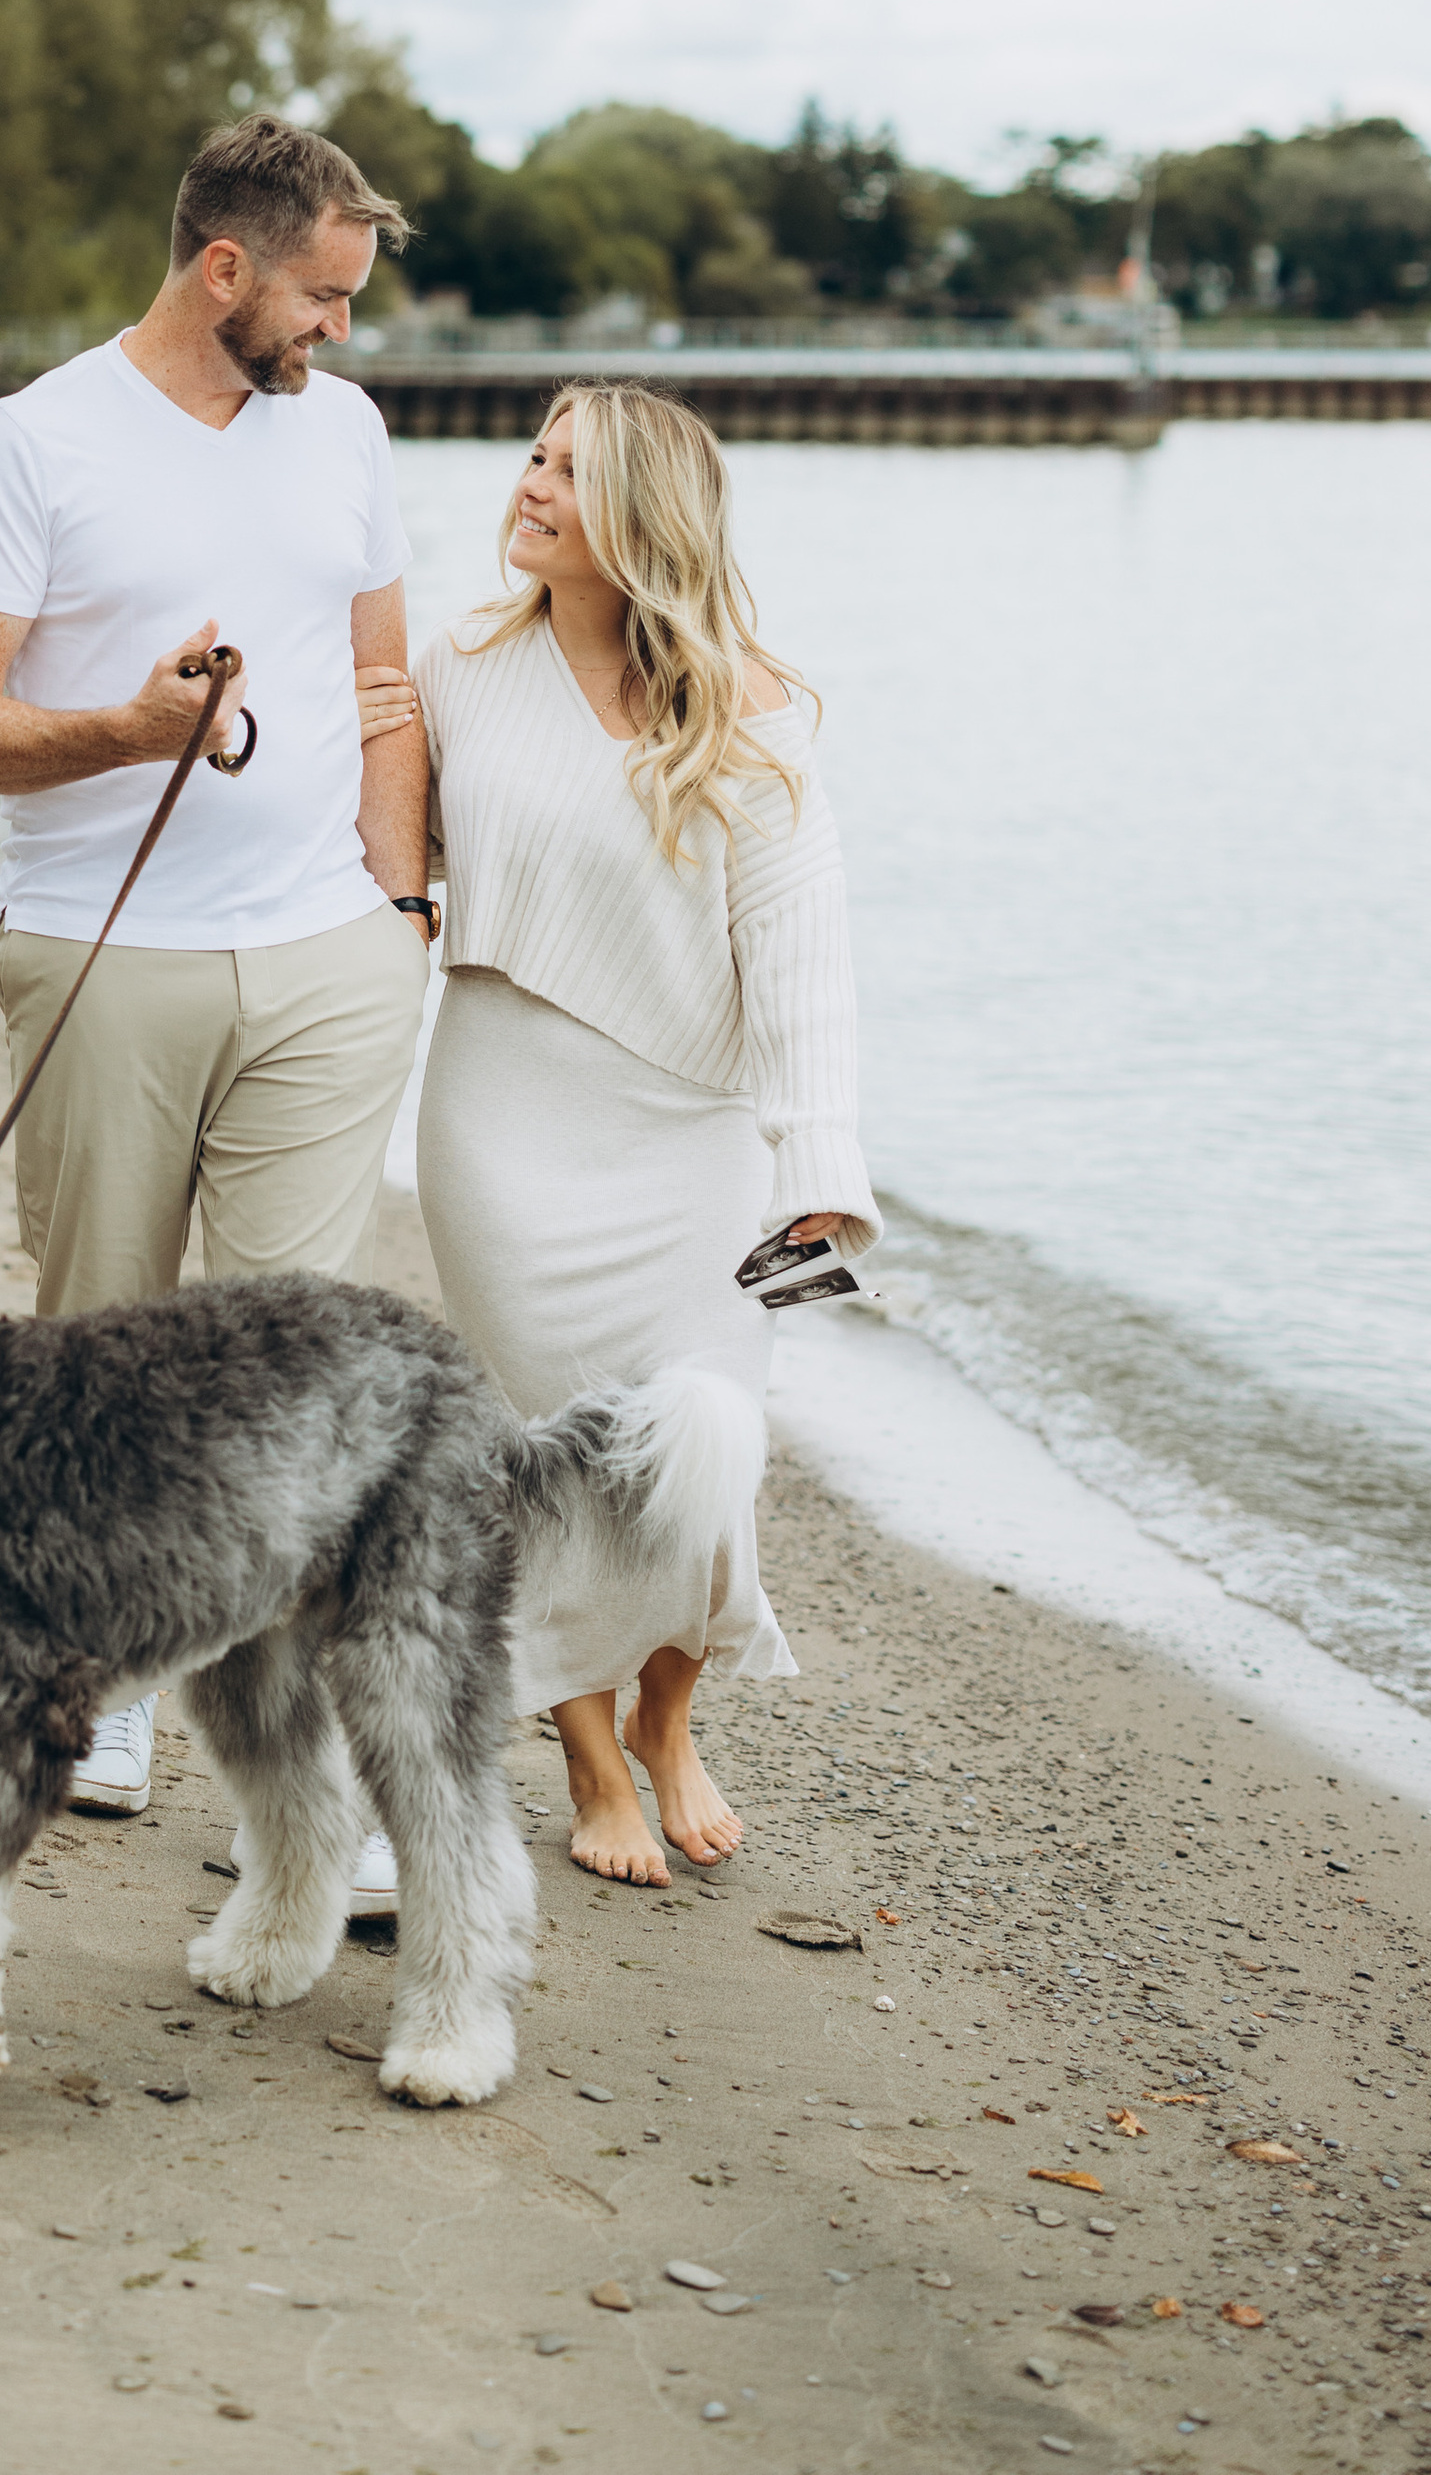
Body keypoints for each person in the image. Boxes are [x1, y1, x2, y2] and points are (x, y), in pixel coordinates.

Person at [0, 115, 436, 1852]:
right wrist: (127, 732)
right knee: (104, 1347)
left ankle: (293, 1757)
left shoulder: (342, 430)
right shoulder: (30, 445)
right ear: (226, 271)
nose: (341, 330)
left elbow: (381, 682)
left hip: (327, 964)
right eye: (323, 296)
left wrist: (400, 904)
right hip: (102, 959)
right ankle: (108, 1687)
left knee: (287, 1375)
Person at [365, 383, 879, 1886]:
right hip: (502, 1119)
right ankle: (590, 1760)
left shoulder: (751, 705)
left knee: (706, 1445)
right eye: (533, 452)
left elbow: (802, 959)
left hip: (694, 1136)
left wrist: (821, 1175)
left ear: (645, 518)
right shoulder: (456, 664)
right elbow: (392, 852)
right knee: (552, 1457)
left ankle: (671, 1715)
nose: (528, 484)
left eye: (569, 470)